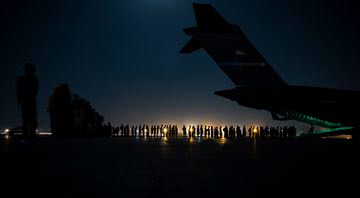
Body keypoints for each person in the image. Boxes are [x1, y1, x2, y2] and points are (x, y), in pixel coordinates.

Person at [17, 64, 39, 137]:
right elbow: (19, 89)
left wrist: (20, 98)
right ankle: (28, 134)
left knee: (29, 118)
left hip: (29, 100)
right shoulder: (22, 79)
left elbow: (35, 90)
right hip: (27, 100)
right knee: (27, 118)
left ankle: (30, 133)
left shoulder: (33, 79)